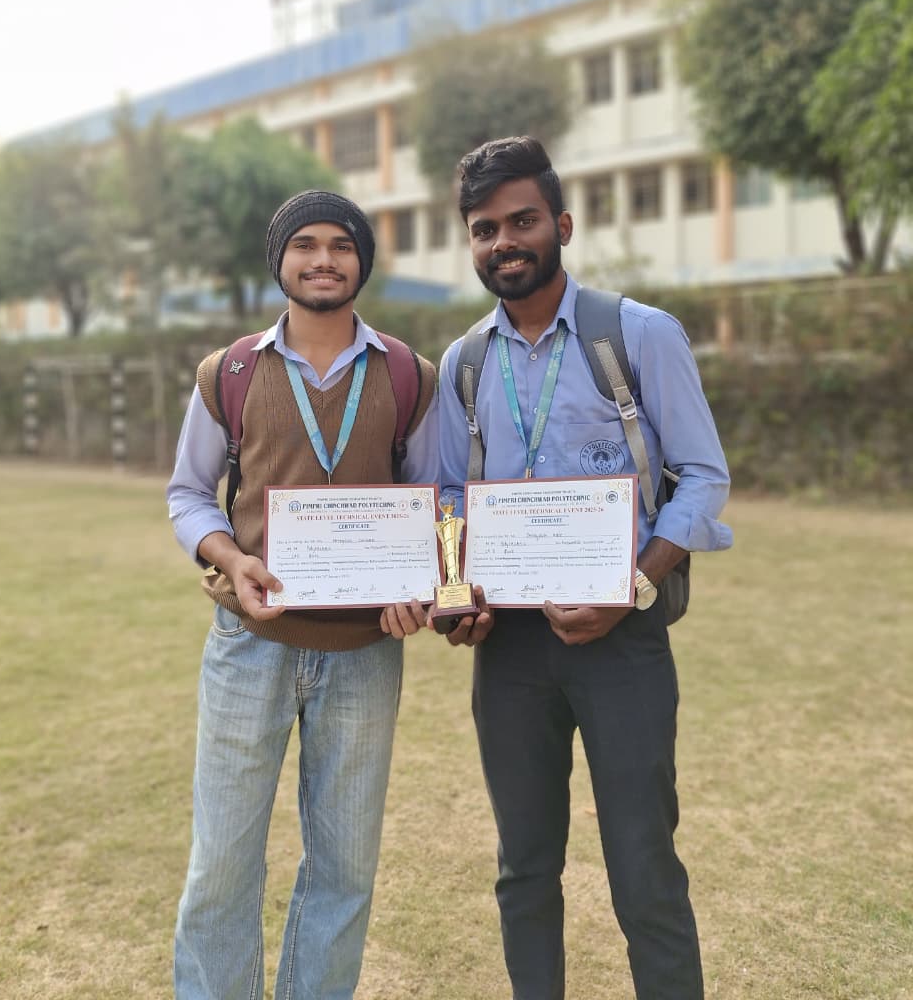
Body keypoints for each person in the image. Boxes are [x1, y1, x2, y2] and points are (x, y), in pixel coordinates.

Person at [437, 138, 732, 1000]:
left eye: (522, 220)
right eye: (485, 229)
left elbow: (705, 476)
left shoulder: (637, 335)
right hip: (512, 656)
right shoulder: (464, 364)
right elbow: (452, 496)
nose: (505, 241)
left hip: (623, 639)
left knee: (644, 869)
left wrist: (632, 586)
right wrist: (458, 596)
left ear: (561, 224)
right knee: (523, 871)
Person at [166, 191, 436, 1000]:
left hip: (365, 656)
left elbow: (436, 503)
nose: (325, 259)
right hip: (251, 646)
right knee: (222, 866)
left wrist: (419, 586)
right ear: (280, 261)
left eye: (343, 245)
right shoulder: (234, 372)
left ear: (363, 261)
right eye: (307, 245)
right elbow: (189, 495)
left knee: (345, 872)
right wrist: (226, 555)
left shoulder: (406, 374)